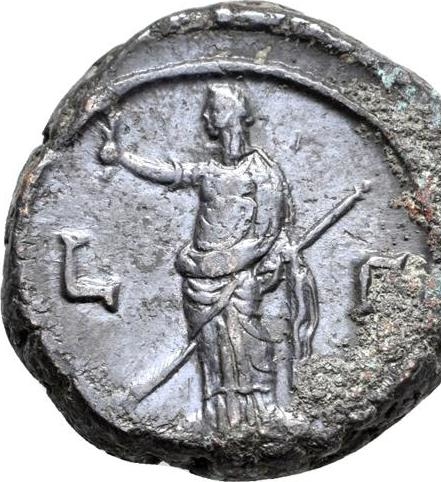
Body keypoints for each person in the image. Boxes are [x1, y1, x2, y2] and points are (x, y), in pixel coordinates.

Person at [99, 82, 318, 429]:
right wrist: (123, 158)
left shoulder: (263, 173)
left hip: (238, 278)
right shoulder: (209, 171)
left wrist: (221, 264)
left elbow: (266, 233)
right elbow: (169, 173)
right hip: (199, 282)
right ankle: (215, 415)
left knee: (250, 345)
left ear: (234, 114)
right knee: (212, 349)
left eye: (214, 108)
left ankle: (265, 412)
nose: (205, 116)